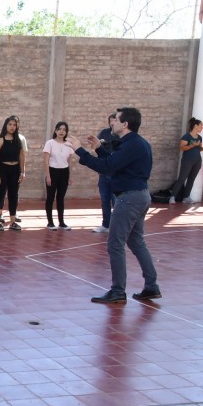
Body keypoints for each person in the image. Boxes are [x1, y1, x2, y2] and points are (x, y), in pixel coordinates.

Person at [70, 107, 160, 304]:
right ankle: (151, 286)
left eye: (116, 120)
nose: (113, 123)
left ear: (125, 124)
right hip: (140, 195)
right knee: (136, 242)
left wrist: (80, 151)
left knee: (115, 244)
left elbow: (107, 167)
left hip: (129, 198)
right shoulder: (138, 143)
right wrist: (99, 149)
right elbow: (115, 163)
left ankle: (118, 291)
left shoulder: (131, 145)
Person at [0, 115, 28, 232]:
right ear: (6, 125)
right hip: (3, 170)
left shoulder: (19, 140)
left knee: (13, 195)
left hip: (15, 170)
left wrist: (23, 172)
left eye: (14, 125)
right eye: (10, 124)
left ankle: (12, 221)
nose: (12, 127)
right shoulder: (0, 140)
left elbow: (22, 157)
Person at [42, 121, 76, 230]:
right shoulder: (50, 143)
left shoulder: (68, 145)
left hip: (64, 172)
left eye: (64, 130)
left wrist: (70, 176)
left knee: (60, 198)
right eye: (59, 129)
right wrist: (48, 176)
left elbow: (70, 161)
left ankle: (61, 222)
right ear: (56, 130)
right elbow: (46, 161)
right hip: (52, 171)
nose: (61, 131)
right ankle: (50, 222)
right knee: (50, 197)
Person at [169, 117, 203, 204]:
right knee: (182, 178)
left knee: (191, 179)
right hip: (187, 160)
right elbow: (181, 148)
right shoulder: (186, 136)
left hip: (197, 161)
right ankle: (172, 196)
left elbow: (199, 149)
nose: (202, 128)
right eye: (201, 126)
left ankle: (186, 197)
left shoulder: (199, 137)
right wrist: (192, 145)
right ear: (196, 126)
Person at [93, 114, 118, 233]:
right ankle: (105, 224)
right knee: (105, 200)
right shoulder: (104, 133)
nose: (112, 123)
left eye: (115, 121)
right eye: (111, 121)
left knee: (116, 201)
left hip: (116, 174)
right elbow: (96, 147)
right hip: (104, 173)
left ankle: (116, 226)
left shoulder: (121, 136)